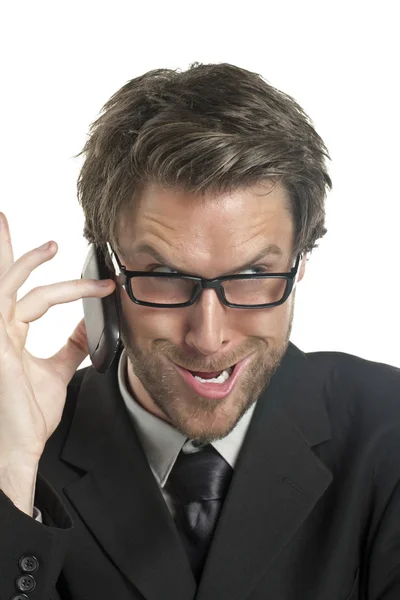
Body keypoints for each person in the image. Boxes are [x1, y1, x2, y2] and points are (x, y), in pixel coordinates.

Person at [0, 62, 399, 600]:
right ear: (104, 270)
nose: (208, 337)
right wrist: (12, 468)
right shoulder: (19, 445)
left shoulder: (388, 428)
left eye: (255, 275)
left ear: (299, 262)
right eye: (164, 277)